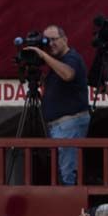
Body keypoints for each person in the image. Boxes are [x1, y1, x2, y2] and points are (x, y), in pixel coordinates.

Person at [24, 25, 90, 185]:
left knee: (67, 172)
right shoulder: (56, 63)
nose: (50, 44)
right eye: (47, 41)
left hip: (69, 123)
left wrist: (43, 56)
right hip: (59, 126)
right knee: (61, 170)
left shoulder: (72, 58)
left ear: (65, 39)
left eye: (54, 39)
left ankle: (73, 207)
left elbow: (68, 74)